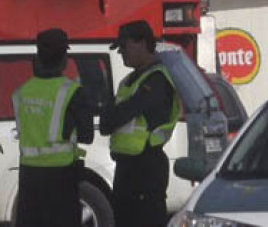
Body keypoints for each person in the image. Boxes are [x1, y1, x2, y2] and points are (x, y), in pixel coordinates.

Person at [100, 20, 181, 227]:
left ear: (142, 43)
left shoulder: (157, 79)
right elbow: (107, 123)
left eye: (124, 46)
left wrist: (114, 114)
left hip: (147, 167)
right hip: (126, 167)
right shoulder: (129, 81)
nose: (121, 53)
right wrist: (113, 114)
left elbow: (118, 115)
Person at [14, 29, 94, 227]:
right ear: (64, 59)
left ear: (37, 57)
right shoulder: (72, 92)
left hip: (29, 177)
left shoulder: (21, 92)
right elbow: (87, 135)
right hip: (61, 176)